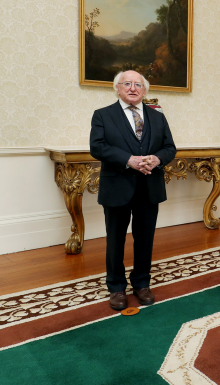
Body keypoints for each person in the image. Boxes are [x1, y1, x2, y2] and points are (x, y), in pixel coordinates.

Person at [90, 70, 176, 311]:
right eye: (126, 83)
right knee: (115, 240)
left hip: (149, 187)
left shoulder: (157, 117)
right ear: (117, 88)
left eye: (138, 84)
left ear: (145, 90)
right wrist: (128, 159)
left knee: (145, 238)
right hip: (117, 187)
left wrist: (157, 160)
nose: (132, 88)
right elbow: (97, 147)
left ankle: (141, 283)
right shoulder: (103, 115)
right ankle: (116, 287)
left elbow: (170, 147)